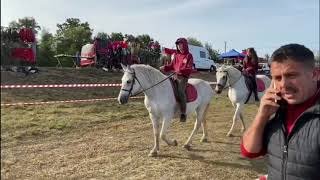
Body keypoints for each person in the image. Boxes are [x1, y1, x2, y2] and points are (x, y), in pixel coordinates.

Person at [241, 44, 320, 180]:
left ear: (315, 74)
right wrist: (262, 115)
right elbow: (249, 151)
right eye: (277, 78)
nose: (283, 85)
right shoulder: (278, 111)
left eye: (291, 75)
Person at [160, 37, 193, 122]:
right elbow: (171, 66)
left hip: (183, 78)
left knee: (181, 91)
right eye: (178, 45)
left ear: (185, 45)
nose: (179, 46)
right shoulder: (176, 55)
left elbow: (189, 68)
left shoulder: (189, 56)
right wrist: (165, 68)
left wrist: (179, 71)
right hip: (174, 76)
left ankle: (183, 113)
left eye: (181, 44)